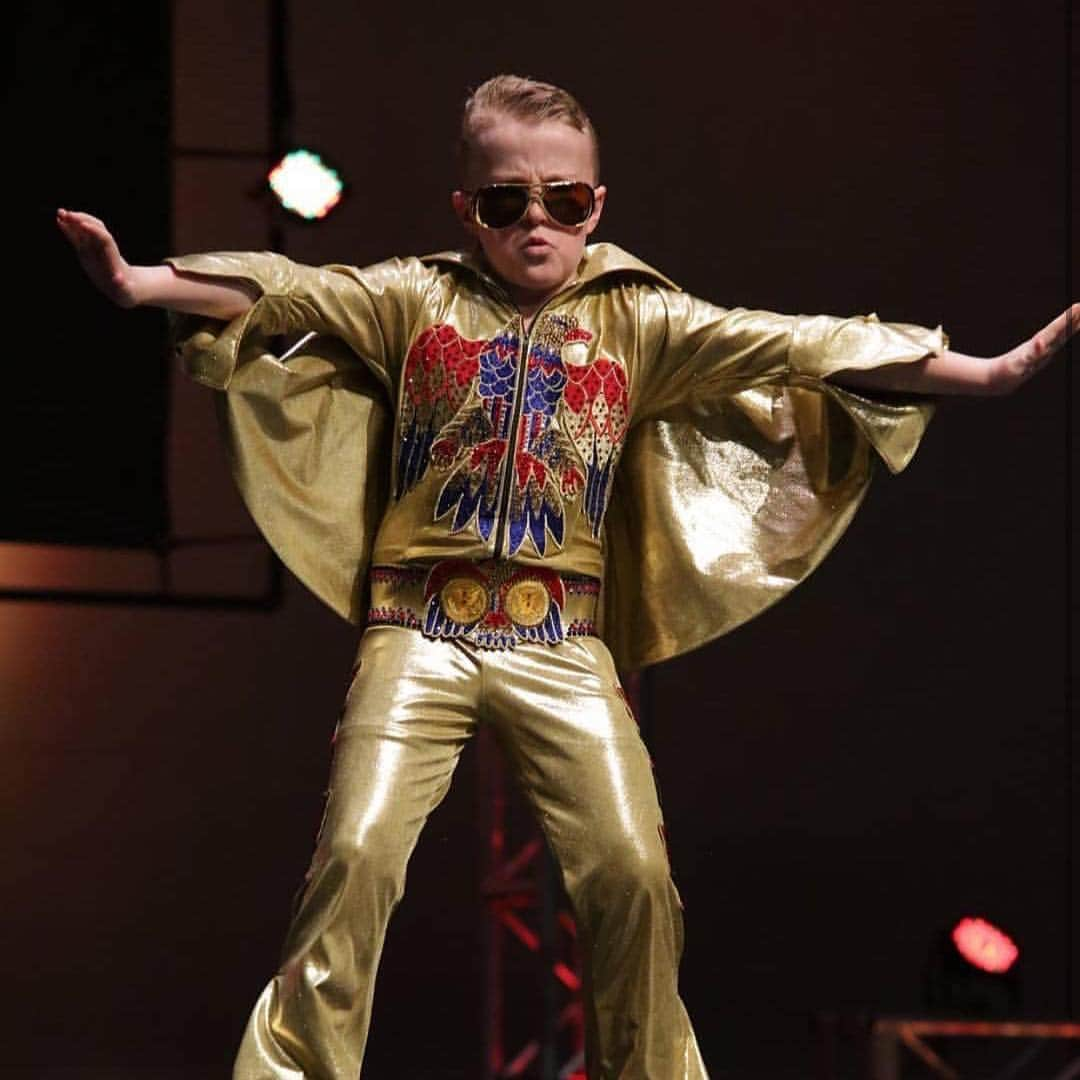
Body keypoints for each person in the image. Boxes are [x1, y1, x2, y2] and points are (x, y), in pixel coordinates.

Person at [58, 74, 1076, 1080]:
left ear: (599, 204)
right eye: (508, 201)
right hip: (418, 631)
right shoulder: (413, 299)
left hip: (561, 642)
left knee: (634, 875)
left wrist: (983, 373)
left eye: (566, 198)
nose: (537, 220)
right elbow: (283, 284)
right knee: (355, 859)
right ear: (469, 209)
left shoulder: (641, 322)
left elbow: (807, 343)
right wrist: (141, 282)